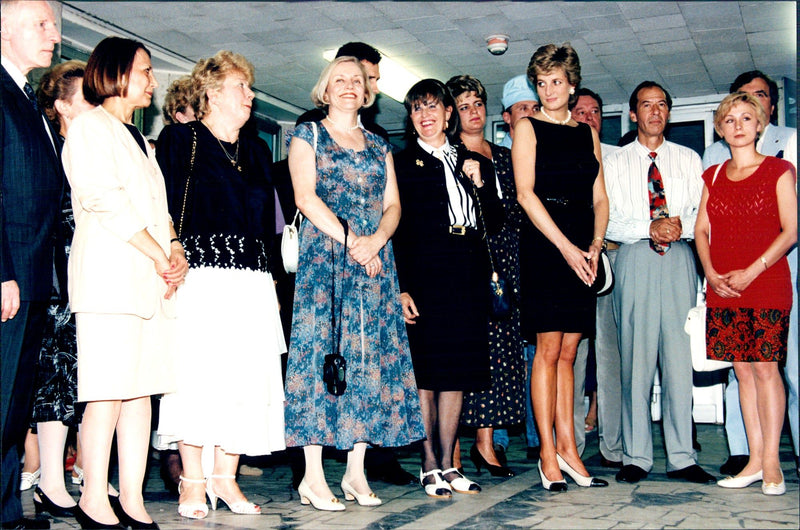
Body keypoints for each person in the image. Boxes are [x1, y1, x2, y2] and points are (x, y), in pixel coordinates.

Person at [283, 56, 425, 511]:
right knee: (321, 357)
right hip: (327, 256)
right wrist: (351, 240)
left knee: (368, 358)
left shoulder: (380, 143)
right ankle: (311, 475)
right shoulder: (308, 134)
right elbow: (305, 196)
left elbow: (394, 205)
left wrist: (376, 241)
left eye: (357, 81)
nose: (349, 86)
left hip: (373, 263)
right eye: (339, 80)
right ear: (325, 90)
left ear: (368, 92)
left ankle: (357, 472)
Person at [63, 36, 188, 529]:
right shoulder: (90, 127)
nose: (152, 81)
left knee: (141, 394)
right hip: (111, 284)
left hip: (149, 284)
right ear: (114, 72)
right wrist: (161, 254)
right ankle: (95, 498)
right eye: (144, 70)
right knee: (107, 393)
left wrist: (175, 247)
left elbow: (158, 209)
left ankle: (132, 500)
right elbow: (104, 200)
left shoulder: (136, 137)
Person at [155, 50, 286, 520]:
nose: (250, 97)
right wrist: (172, 248)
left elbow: (264, 224)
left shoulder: (254, 149)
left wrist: (270, 276)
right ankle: (192, 480)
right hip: (202, 277)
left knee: (247, 379)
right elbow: (162, 203)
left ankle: (225, 478)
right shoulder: (181, 138)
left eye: (249, 88)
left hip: (250, 280)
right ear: (211, 94)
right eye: (241, 88)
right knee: (200, 377)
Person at [393, 78, 502, 498]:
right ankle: (429, 463)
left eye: (433, 107)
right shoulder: (402, 163)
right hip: (425, 274)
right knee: (426, 374)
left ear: (448, 113)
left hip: (466, 272)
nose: (425, 116)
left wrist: (481, 182)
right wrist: (401, 287)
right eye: (417, 109)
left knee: (455, 373)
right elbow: (397, 229)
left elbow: (495, 221)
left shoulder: (471, 159)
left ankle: (450, 465)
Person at [604, 81, 714, 485]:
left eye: (662, 104)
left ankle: (682, 456)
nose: (655, 111)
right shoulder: (614, 163)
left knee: (678, 361)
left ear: (668, 112)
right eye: (646, 105)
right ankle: (636, 456)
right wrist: (649, 226)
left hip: (680, 259)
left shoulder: (689, 158)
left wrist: (678, 225)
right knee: (636, 358)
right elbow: (608, 218)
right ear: (633, 114)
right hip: (634, 258)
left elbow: (699, 209)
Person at [512, 43, 609, 492]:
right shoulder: (527, 128)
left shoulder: (585, 131)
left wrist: (593, 245)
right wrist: (567, 248)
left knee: (571, 353)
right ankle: (547, 452)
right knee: (548, 351)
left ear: (572, 86)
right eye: (542, 83)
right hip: (546, 244)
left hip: (581, 246)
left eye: (556, 82)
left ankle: (570, 448)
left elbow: (601, 196)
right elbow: (525, 194)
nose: (549, 90)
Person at [696, 92, 796, 495]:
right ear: (721, 129)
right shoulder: (713, 176)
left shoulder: (778, 170)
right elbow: (701, 230)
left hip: (766, 283)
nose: (738, 125)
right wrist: (711, 272)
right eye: (729, 119)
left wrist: (753, 270)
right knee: (741, 372)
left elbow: (791, 230)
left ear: (760, 125)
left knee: (766, 369)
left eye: (746, 118)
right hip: (724, 286)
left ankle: (772, 462)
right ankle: (753, 461)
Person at [1, 1, 63, 528]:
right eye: (41, 24)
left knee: (14, 404)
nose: (55, 33)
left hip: (34, 274)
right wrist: (1, 270)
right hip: (10, 274)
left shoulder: (23, 96)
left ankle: (5, 511)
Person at [445, 74, 524, 478]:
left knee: (500, 357)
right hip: (467, 262)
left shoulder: (506, 156)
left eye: (478, 103)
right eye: (464, 106)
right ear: (452, 115)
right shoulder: (447, 154)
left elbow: (517, 211)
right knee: (467, 353)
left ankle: (486, 443)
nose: (473, 112)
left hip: (505, 262)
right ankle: (454, 450)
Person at [26, 60, 95, 521]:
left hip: (90, 278)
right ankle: (49, 479)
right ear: (62, 107)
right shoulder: (52, 148)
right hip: (56, 280)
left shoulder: (93, 147)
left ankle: (76, 473)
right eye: (87, 98)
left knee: (79, 385)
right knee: (54, 381)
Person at [569, 87, 622, 466]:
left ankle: (614, 443)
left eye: (595, 111)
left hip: (614, 260)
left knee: (613, 356)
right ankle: (571, 443)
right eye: (581, 111)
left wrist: (603, 241)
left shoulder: (619, 157)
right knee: (573, 356)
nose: (589, 117)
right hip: (575, 262)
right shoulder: (562, 153)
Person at [498, 74, 541, 462]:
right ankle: (495, 438)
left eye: (533, 107)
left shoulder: (547, 152)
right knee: (500, 349)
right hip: (504, 263)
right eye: (520, 109)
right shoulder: (496, 158)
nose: (527, 114)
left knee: (534, 351)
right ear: (507, 117)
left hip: (539, 263)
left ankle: (535, 436)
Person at [499, 74, 540, 149]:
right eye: (524, 108)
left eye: (536, 109)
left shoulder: (547, 151)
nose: (532, 115)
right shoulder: (495, 155)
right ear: (507, 117)